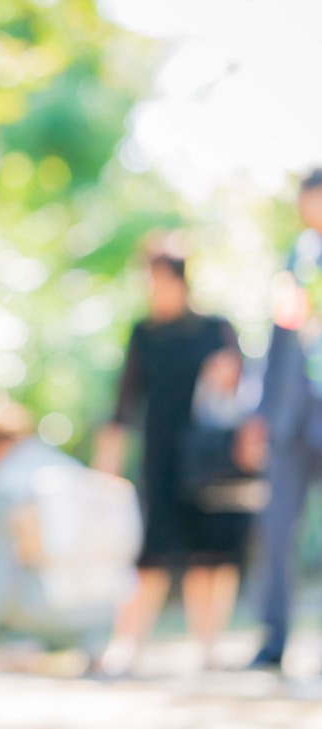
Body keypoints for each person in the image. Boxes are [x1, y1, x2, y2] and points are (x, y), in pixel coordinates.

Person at [93, 233, 249, 673]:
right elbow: (123, 402)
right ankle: (126, 645)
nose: (151, 287)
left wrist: (227, 376)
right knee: (152, 554)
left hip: (208, 460)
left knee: (208, 554)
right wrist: (107, 466)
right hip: (159, 458)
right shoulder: (143, 332)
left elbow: (244, 393)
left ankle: (209, 647)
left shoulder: (216, 329)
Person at [0, 403, 140, 659]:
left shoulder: (3, 487)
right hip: (104, 611)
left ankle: (5, 643)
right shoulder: (64, 466)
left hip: (44, 609)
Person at [243, 168, 322, 670]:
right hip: (291, 418)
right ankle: (273, 641)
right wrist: (261, 414)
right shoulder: (296, 260)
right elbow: (276, 341)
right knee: (276, 531)